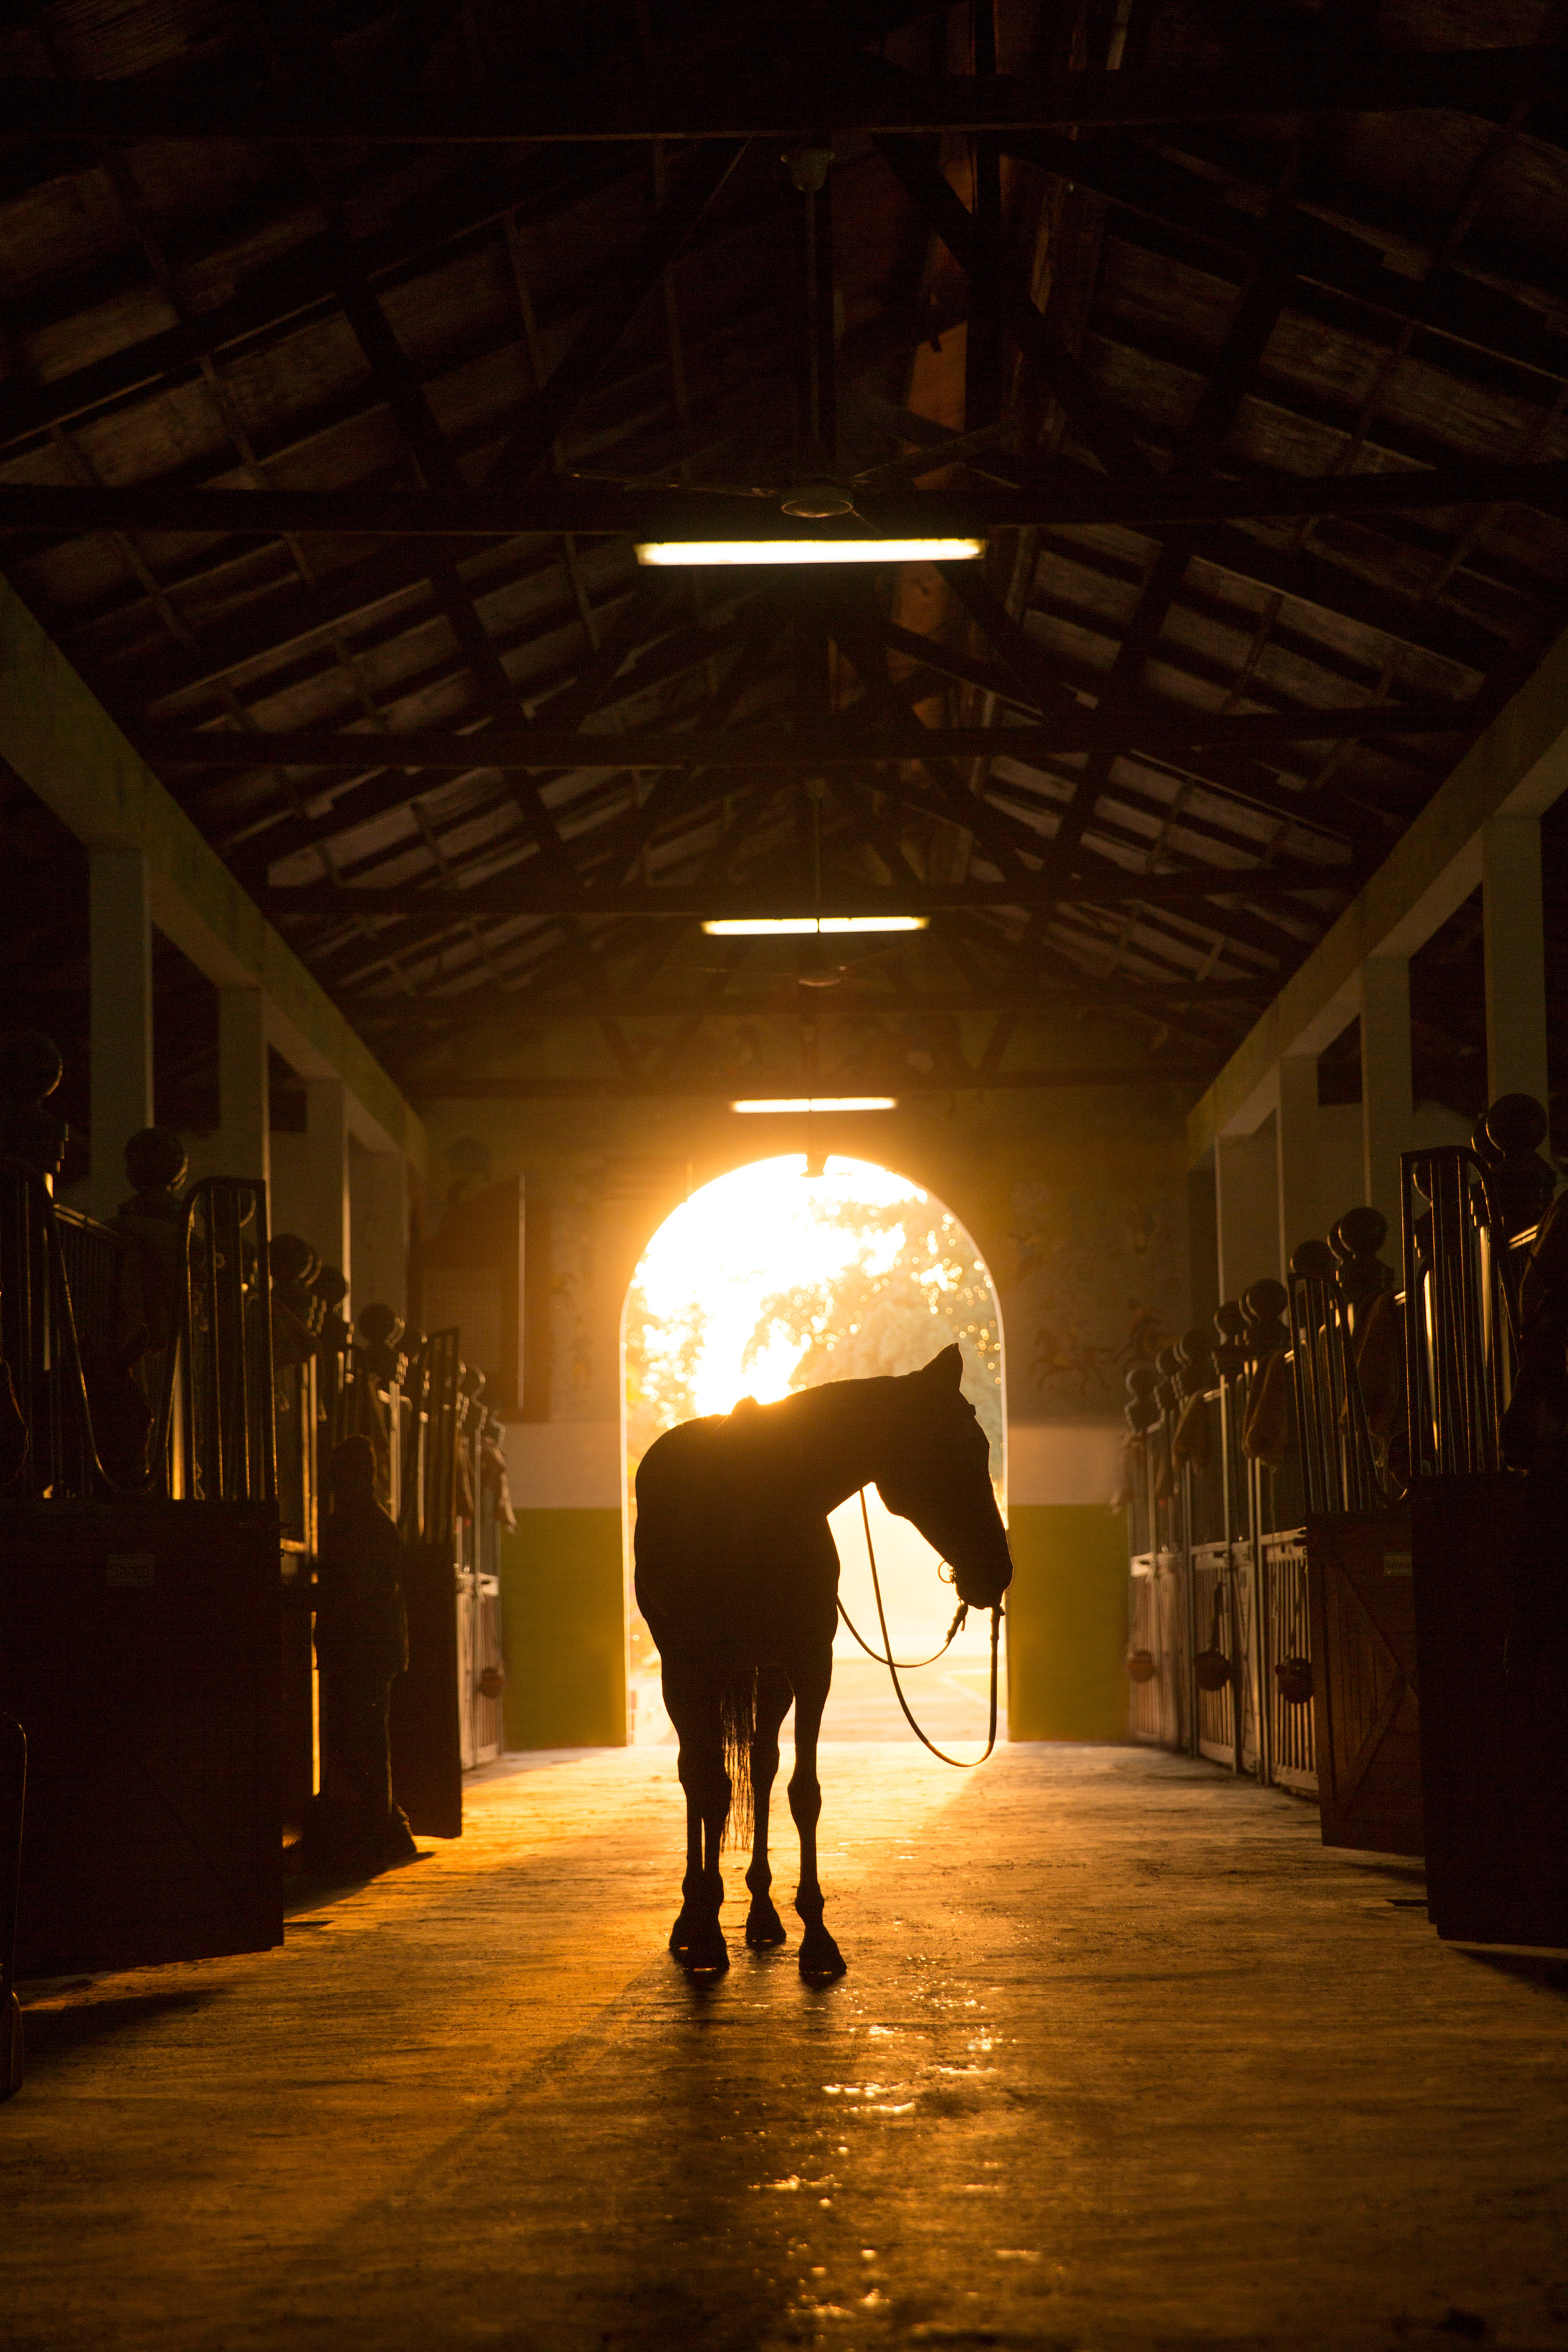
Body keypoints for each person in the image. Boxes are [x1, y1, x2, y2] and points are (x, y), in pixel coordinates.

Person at [313, 1434, 418, 1869]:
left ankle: (376, 1833)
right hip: (362, 1647)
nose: (337, 1484)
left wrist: (307, 1597)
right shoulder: (362, 1522)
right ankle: (377, 1829)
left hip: (364, 1648)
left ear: (360, 1477)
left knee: (364, 1739)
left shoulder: (363, 1526)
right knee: (363, 1738)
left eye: (343, 1476)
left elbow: (356, 1590)